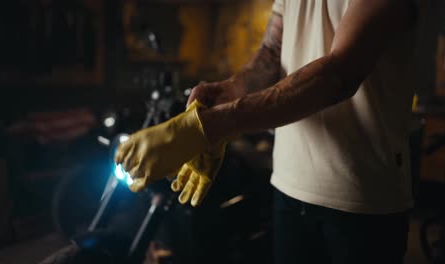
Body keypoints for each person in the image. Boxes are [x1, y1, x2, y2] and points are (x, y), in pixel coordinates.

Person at [115, 0, 419, 263]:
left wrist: (213, 125)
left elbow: (339, 74)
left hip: (361, 198)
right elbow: (272, 54)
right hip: (288, 184)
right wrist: (225, 93)